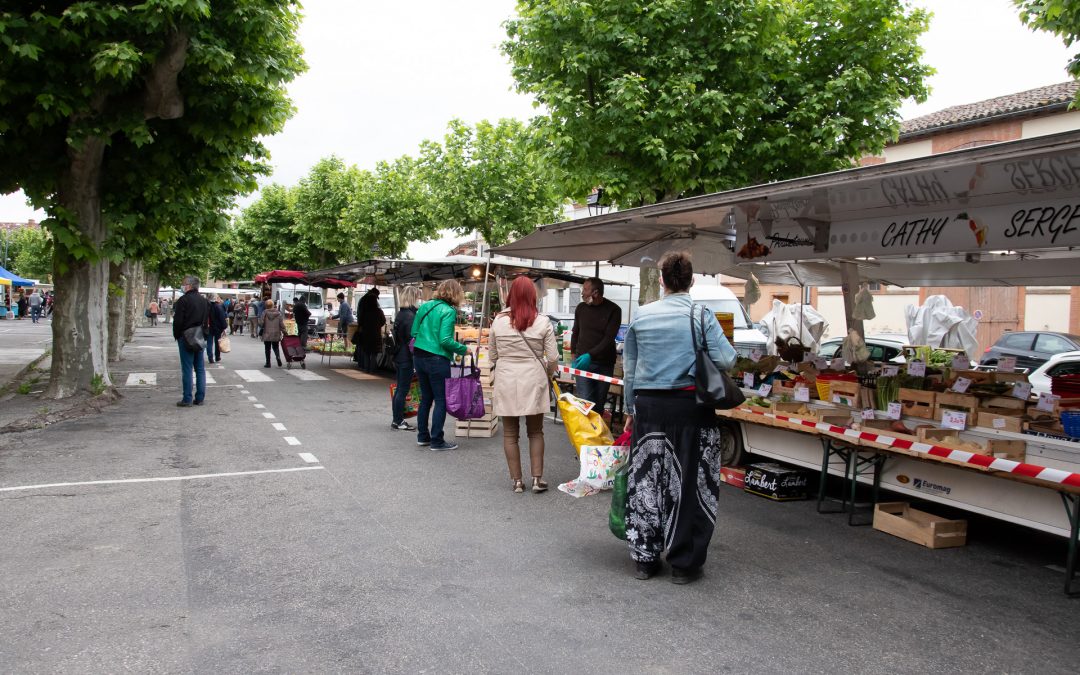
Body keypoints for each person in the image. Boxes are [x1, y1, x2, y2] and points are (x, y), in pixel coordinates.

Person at [622, 251, 736, 584]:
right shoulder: (701, 315)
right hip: (692, 409)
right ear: (692, 280)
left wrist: (631, 409)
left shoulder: (642, 315)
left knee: (647, 480)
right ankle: (684, 564)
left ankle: (645, 558)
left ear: (661, 280)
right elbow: (726, 360)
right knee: (690, 483)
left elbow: (630, 369)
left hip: (650, 409)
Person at [490, 276, 559, 494]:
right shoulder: (542, 321)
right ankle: (537, 479)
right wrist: (549, 374)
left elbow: (492, 355)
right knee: (536, 431)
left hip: (507, 378)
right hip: (534, 379)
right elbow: (554, 357)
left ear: (511, 295)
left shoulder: (498, 321)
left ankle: (517, 481)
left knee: (510, 433)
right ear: (532, 296)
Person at [411, 279, 469, 451]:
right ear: (455, 294)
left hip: (419, 356)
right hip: (437, 359)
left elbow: (414, 332)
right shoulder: (449, 311)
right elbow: (445, 340)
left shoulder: (425, 306)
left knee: (426, 399)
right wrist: (463, 349)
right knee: (441, 400)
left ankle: (423, 436)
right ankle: (437, 440)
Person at [571, 277, 622, 412]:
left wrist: (590, 354)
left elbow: (608, 338)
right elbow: (575, 332)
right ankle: (585, 432)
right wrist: (573, 355)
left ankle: (595, 432)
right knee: (586, 403)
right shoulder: (581, 308)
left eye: (586, 290)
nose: (582, 293)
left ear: (596, 293)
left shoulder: (614, 310)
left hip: (604, 364)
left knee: (598, 405)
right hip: (583, 363)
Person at [172, 275, 210, 407]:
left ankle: (187, 398)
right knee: (200, 368)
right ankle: (200, 397)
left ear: (188, 285)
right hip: (199, 336)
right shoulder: (204, 301)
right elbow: (206, 320)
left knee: (187, 368)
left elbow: (178, 321)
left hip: (186, 336)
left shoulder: (183, 300)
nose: (182, 286)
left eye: (183, 284)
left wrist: (177, 335)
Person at [390, 286, 421, 431]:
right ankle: (398, 420)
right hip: (406, 357)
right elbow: (412, 341)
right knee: (402, 389)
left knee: (400, 389)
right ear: (413, 298)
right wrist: (416, 360)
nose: (419, 300)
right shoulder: (410, 316)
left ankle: (397, 419)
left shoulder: (401, 314)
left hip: (399, 355)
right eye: (418, 297)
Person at [356, 288, 387, 373]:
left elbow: (360, 321)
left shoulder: (365, 312)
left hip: (366, 334)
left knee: (366, 352)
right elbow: (383, 321)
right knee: (374, 353)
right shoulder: (379, 311)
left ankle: (366, 369)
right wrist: (377, 326)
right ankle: (372, 370)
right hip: (376, 334)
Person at [260, 299, 286, 368]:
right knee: (276, 347)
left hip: (267, 333)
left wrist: (261, 326)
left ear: (266, 305)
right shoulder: (278, 313)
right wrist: (284, 331)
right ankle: (278, 357)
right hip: (276, 333)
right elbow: (281, 324)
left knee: (267, 348)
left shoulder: (264, 313)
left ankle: (268, 363)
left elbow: (261, 323)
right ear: (272, 305)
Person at [206, 295, 228, 363]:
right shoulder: (218, 307)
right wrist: (224, 326)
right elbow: (222, 318)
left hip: (209, 327)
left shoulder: (206, 307)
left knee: (209, 343)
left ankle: (210, 357)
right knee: (217, 342)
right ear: (216, 299)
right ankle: (217, 357)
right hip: (217, 328)